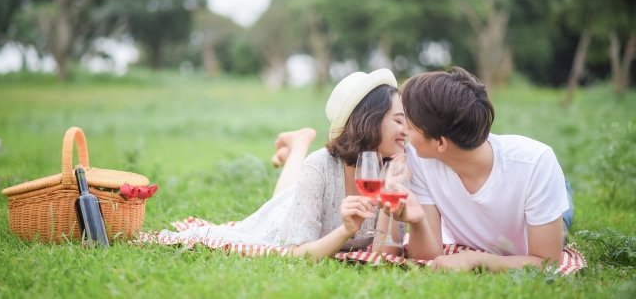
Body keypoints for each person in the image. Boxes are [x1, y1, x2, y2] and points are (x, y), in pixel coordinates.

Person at [159, 68, 408, 260]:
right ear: (371, 120)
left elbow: (384, 255)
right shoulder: (320, 166)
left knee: (288, 195)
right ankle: (299, 146)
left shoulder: (393, 168)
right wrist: (344, 231)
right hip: (280, 223)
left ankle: (296, 145)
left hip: (301, 195)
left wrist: (390, 206)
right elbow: (294, 252)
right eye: (398, 121)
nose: (406, 130)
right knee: (279, 206)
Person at [386, 66, 573, 272]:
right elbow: (428, 258)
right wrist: (418, 220)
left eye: (409, 127)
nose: (402, 132)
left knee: (562, 210)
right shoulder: (420, 160)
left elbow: (547, 262)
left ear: (440, 143)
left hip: (539, 186)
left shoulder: (535, 163)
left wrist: (479, 260)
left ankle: (563, 194)